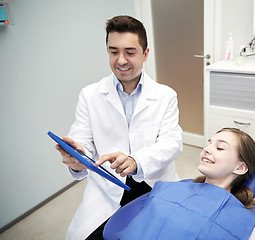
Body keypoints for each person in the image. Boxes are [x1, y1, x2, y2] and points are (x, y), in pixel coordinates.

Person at [55, 15, 183, 240]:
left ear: (145, 54)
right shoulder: (90, 94)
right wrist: (77, 157)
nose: (121, 60)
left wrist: (137, 161)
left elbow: (172, 142)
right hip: (108, 188)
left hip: (155, 184)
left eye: (130, 52)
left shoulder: (165, 95)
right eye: (114, 52)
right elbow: (81, 139)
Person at [103, 128, 255, 240]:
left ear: (240, 167)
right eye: (208, 143)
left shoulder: (249, 226)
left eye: (220, 148)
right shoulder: (167, 189)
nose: (207, 149)